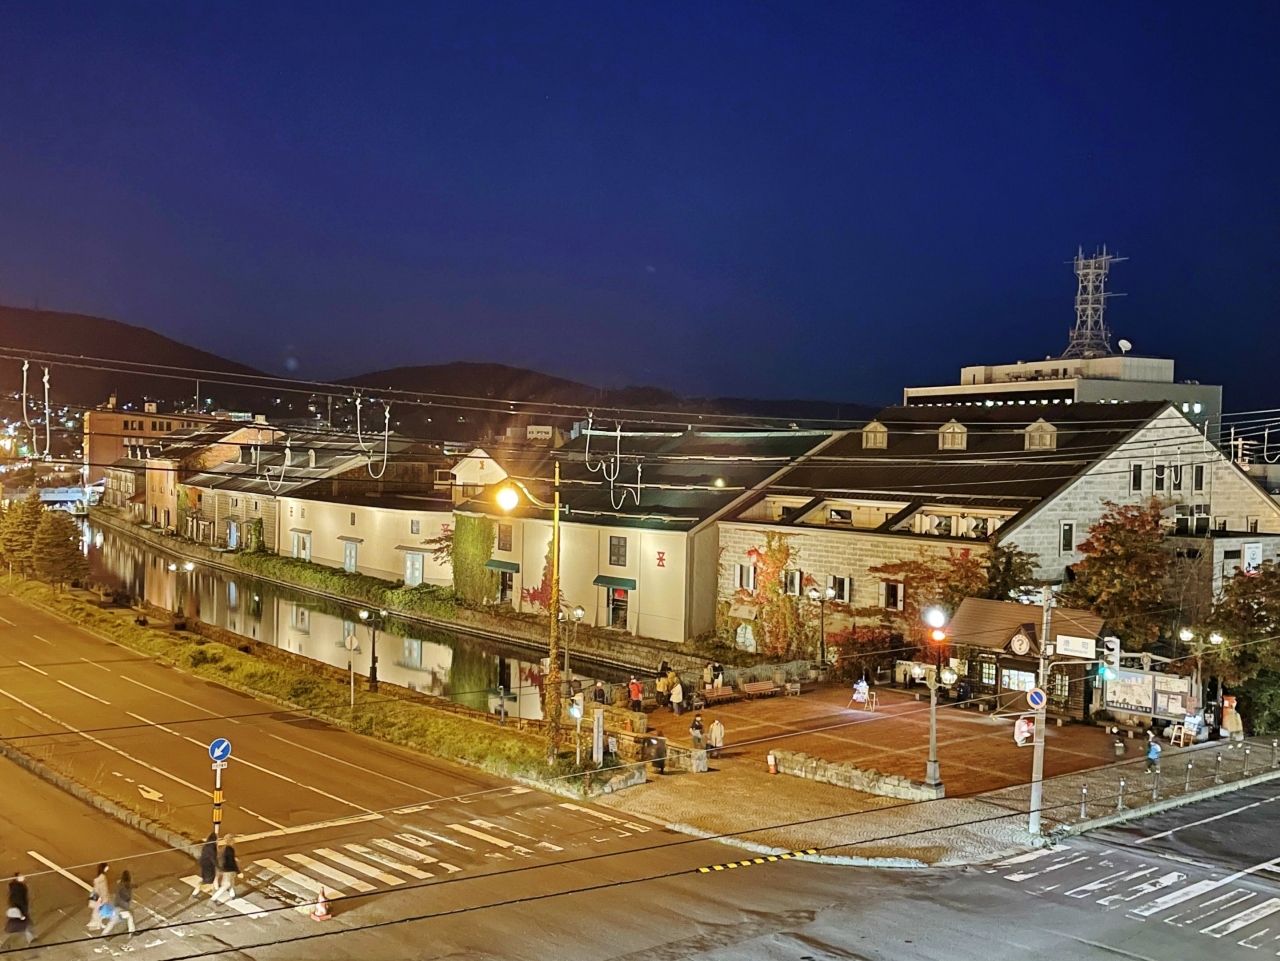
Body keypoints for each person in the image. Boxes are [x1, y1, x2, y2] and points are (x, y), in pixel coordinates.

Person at [99, 871, 134, 937]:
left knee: (113, 920)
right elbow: (126, 897)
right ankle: (131, 931)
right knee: (129, 915)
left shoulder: (120, 885)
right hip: (120, 908)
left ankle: (104, 933)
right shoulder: (126, 887)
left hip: (116, 908)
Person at [6, 873, 34, 945]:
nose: (23, 878)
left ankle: (31, 938)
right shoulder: (18, 888)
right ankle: (31, 939)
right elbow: (20, 899)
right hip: (21, 910)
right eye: (21, 877)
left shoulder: (16, 887)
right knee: (24, 925)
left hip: (21, 910)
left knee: (25, 925)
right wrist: (21, 913)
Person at [213, 837, 240, 902]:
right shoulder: (229, 849)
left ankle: (232, 895)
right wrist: (238, 871)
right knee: (226, 884)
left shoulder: (224, 848)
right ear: (231, 841)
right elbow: (231, 861)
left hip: (225, 868)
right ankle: (214, 898)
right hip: (227, 869)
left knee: (231, 881)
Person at [87, 863, 110, 930]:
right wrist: (101, 898)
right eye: (106, 867)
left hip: (100, 897)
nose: (108, 868)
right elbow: (101, 889)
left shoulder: (100, 877)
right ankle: (97, 924)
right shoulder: (102, 878)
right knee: (98, 911)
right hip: (101, 897)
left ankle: (98, 923)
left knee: (98, 911)